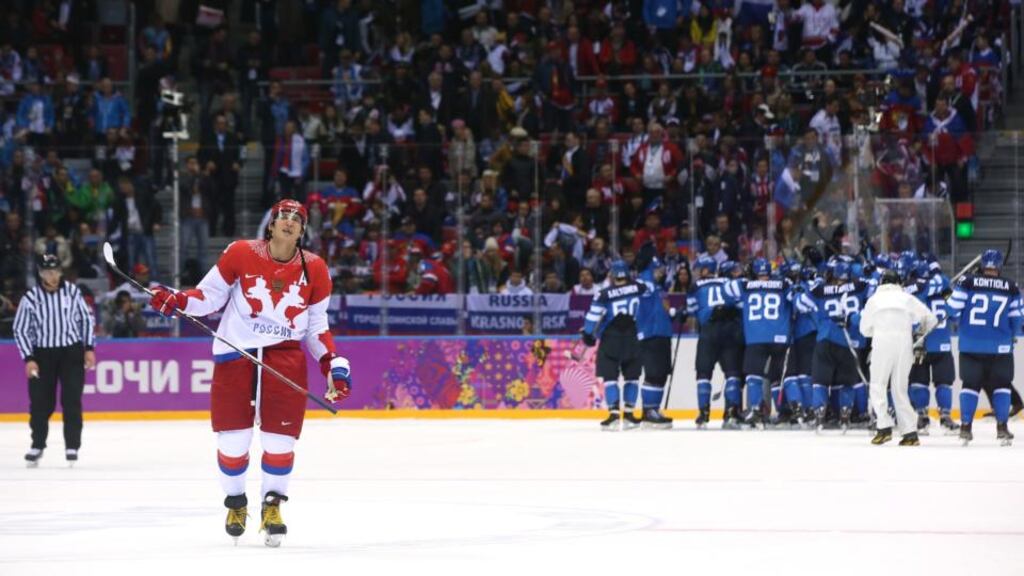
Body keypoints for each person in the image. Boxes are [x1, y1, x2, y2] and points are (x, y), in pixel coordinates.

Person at [148, 199, 353, 546]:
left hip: (284, 357)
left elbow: (317, 326)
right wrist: (179, 301)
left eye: (296, 219)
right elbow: (208, 296)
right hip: (236, 352)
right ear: (271, 225)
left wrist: (332, 363)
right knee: (233, 440)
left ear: (303, 231)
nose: (289, 222)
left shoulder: (316, 268)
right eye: (282, 217)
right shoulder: (240, 253)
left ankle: (272, 506)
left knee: (279, 441)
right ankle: (236, 503)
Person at [14, 254, 96, 467]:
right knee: (41, 403)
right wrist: (29, 358)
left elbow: (86, 320)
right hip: (42, 355)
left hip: (71, 353)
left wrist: (88, 348)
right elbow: (20, 329)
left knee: (71, 401)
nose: (52, 276)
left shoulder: (72, 292)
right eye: (47, 272)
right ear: (40, 273)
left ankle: (72, 446)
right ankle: (37, 445)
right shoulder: (31, 298)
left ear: (61, 272)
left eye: (55, 271)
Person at [947, 249, 1020, 447]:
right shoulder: (1011, 286)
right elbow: (1017, 318)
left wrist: (956, 318)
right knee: (1002, 386)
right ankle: (1002, 428)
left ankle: (965, 428)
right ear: (999, 266)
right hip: (1001, 347)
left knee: (970, 386)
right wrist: (1014, 336)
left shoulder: (967, 282)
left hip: (971, 344)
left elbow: (952, 310)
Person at [860, 269, 938, 446]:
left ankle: (884, 427)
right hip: (905, 343)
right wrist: (919, 334)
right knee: (900, 389)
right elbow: (931, 319)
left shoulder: (874, 300)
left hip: (882, 342)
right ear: (898, 283)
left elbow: (864, 330)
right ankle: (910, 433)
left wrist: (877, 330)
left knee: (878, 385)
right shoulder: (906, 298)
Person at [796, 258, 872, 430]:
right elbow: (874, 287)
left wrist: (817, 280)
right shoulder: (861, 287)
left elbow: (801, 304)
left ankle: (819, 414)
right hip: (849, 341)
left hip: (826, 338)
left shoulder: (820, 290)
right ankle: (845, 414)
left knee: (820, 381)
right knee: (847, 382)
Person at [727, 258, 794, 427]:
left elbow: (727, 289)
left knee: (753, 376)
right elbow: (796, 299)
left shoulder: (745, 285)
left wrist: (744, 276)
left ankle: (756, 409)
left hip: (756, 337)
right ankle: (784, 412)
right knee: (777, 378)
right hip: (780, 336)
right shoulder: (783, 284)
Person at [581, 260, 646, 430]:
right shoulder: (639, 288)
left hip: (611, 338)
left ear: (612, 275)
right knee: (632, 376)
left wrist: (588, 333)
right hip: (633, 336)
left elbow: (593, 317)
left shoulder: (603, 294)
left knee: (611, 377)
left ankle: (614, 415)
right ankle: (630, 415)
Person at [686, 255, 744, 428]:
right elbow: (741, 307)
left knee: (703, 373)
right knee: (733, 373)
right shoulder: (732, 283)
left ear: (705, 270)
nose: (697, 273)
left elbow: (692, 312)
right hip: (730, 329)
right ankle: (732, 413)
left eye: (699, 270)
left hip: (709, 331)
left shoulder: (695, 286)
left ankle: (703, 414)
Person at [904, 258, 958, 434]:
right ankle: (945, 417)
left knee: (919, 383)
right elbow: (955, 315)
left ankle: (922, 417)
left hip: (921, 344)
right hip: (942, 343)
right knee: (944, 384)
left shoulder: (912, 288)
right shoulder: (944, 290)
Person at [635, 255, 674, 429]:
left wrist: (673, 313)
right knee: (653, 373)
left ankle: (654, 409)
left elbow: (663, 308)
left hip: (662, 333)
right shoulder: (643, 283)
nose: (662, 273)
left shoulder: (658, 287)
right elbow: (636, 288)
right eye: (659, 270)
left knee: (661, 373)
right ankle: (648, 411)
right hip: (650, 334)